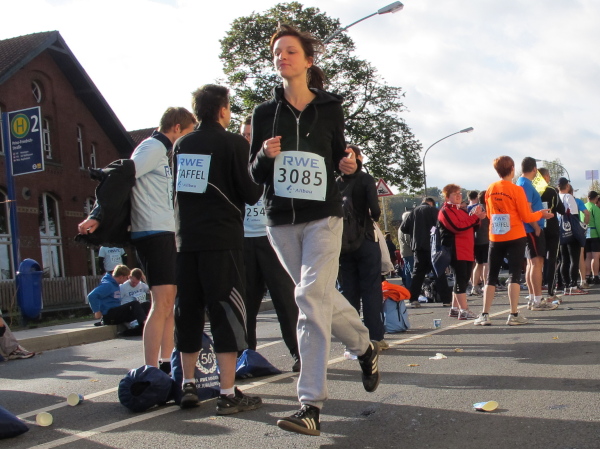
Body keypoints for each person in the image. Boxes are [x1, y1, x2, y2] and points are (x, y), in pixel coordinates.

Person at [249, 24, 381, 436]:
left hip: (324, 216)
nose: (282, 57)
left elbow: (341, 156)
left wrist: (350, 164)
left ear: (308, 60)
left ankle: (310, 404)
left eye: (290, 51)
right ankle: (364, 347)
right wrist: (263, 156)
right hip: (281, 222)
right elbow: (253, 176)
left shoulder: (330, 108)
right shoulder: (263, 113)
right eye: (277, 53)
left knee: (308, 297)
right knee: (319, 295)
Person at [78, 107, 197, 373]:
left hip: (164, 231)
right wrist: (97, 214)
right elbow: (120, 174)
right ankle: (150, 368)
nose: (187, 139)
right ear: (177, 128)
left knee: (169, 302)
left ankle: (166, 363)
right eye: (188, 133)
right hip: (153, 232)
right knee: (162, 303)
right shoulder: (151, 147)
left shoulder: (161, 152)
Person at [172, 84, 263, 414]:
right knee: (227, 312)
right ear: (223, 110)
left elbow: (178, 191)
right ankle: (227, 393)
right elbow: (250, 192)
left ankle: (188, 384)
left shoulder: (182, 144)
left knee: (188, 311)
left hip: (186, 241)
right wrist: (263, 166)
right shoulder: (234, 143)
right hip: (222, 241)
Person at [240, 115, 300, 373]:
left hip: (272, 237)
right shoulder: (235, 161)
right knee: (246, 305)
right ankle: (246, 356)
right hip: (243, 240)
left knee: (286, 301)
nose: (247, 140)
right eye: (244, 135)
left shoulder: (276, 159)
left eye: (251, 135)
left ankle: (299, 353)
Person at [473, 156, 553, 326]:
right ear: (512, 169)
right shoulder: (516, 190)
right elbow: (526, 216)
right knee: (514, 276)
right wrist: (541, 214)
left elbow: (489, 213)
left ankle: (485, 314)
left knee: (491, 276)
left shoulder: (491, 188)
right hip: (515, 235)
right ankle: (514, 314)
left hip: (496, 236)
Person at [337, 144, 386, 349]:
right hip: (365, 239)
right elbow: (375, 210)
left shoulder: (335, 182)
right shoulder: (365, 179)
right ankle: (375, 337)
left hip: (341, 242)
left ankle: (352, 339)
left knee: (348, 291)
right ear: (358, 158)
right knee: (371, 289)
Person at [437, 184, 486, 320]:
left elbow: (472, 225)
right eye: (455, 194)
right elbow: (457, 227)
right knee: (461, 279)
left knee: (463, 279)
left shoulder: (460, 210)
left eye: (459, 193)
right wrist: (475, 217)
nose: (459, 196)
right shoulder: (445, 211)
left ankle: (455, 308)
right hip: (456, 249)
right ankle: (464, 310)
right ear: (447, 197)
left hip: (466, 249)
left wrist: (477, 217)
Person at [516, 157, 557, 311]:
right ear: (534, 169)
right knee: (536, 263)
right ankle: (537, 301)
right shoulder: (525, 184)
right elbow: (526, 208)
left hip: (529, 227)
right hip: (532, 228)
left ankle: (533, 298)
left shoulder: (522, 183)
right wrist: (536, 225)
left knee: (531, 263)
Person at [400, 197, 452, 308]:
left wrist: (415, 232)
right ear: (431, 203)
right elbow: (441, 226)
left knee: (417, 274)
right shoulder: (435, 211)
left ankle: (413, 299)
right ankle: (446, 300)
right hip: (433, 246)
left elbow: (403, 228)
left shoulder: (413, 212)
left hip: (418, 247)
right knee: (439, 272)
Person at [87, 265, 146, 333]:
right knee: (134, 304)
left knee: (146, 305)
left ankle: (139, 328)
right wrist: (97, 311)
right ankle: (143, 328)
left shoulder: (116, 284)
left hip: (116, 313)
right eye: (126, 278)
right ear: (121, 277)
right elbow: (92, 296)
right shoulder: (108, 285)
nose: (127, 280)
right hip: (110, 315)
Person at [538, 167, 565, 302]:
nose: (549, 178)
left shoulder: (532, 190)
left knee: (536, 260)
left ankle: (535, 293)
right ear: (545, 177)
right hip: (551, 226)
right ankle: (550, 290)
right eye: (548, 176)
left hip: (537, 226)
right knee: (552, 258)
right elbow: (561, 209)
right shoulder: (551, 190)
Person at [557, 177, 586, 295]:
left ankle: (565, 285)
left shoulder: (556, 197)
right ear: (567, 186)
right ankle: (573, 286)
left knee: (564, 260)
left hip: (560, 231)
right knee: (574, 259)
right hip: (571, 232)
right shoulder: (569, 197)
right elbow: (574, 215)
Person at [470, 191, 489, 296]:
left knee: (478, 264)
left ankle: (474, 286)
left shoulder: (474, 209)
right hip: (487, 239)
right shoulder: (488, 209)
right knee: (486, 264)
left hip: (476, 240)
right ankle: (486, 286)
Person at [584, 191, 600, 286]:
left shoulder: (583, 207)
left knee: (588, 256)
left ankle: (587, 276)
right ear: (596, 198)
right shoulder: (595, 208)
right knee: (595, 256)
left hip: (585, 234)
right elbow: (598, 224)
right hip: (594, 234)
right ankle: (595, 276)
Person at [398, 211, 414, 289]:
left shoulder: (400, 227)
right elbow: (408, 240)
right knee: (411, 270)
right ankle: (412, 287)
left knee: (407, 271)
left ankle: (408, 287)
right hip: (409, 252)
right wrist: (414, 248)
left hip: (404, 252)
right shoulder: (406, 227)